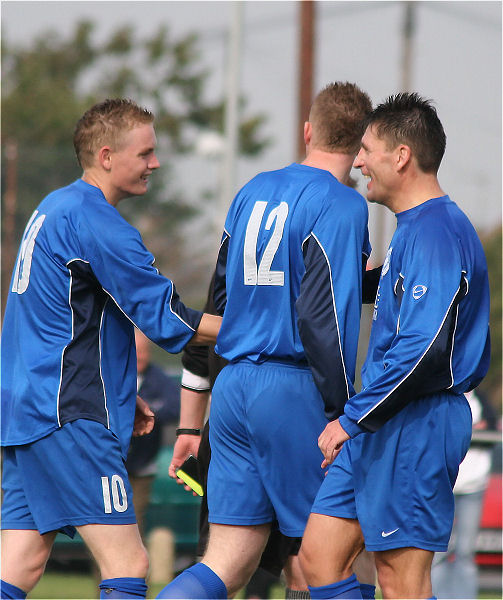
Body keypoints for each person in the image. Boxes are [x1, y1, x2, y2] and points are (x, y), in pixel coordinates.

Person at [156, 81, 375, 600]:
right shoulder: (344, 205)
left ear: (307, 132)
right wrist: (344, 411)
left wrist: (194, 415)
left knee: (229, 560)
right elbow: (324, 320)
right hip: (294, 388)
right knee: (326, 557)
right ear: (363, 144)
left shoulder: (252, 190)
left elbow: (218, 302)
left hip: (232, 389)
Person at [0, 98, 221, 600]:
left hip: (25, 412)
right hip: (69, 416)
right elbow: (168, 320)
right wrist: (264, 332)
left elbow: (49, 326)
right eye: (145, 153)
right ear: (105, 155)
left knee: (22, 561)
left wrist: (121, 391)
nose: (155, 164)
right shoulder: (96, 221)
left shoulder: (54, 207)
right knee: (129, 561)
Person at [299, 92, 491, 600]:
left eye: (366, 149)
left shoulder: (437, 231)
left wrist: (351, 417)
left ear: (401, 156)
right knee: (319, 557)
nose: (357, 161)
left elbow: (425, 349)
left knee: (399, 581)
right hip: (383, 418)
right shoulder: (414, 230)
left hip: (416, 420)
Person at [172, 274, 310, 599]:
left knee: (222, 564)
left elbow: (197, 349)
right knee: (310, 561)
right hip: (296, 403)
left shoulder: (237, 238)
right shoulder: (315, 230)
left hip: (229, 410)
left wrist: (189, 430)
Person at [431, 388, 498, 599]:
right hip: (445, 488)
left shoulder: (481, 401)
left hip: (474, 488)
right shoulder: (443, 398)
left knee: (465, 552)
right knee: (438, 552)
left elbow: (492, 428)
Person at [126, 329, 182, 539]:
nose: (140, 356)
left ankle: (131, 570)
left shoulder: (158, 378)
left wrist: (148, 413)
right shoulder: (113, 372)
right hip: (111, 462)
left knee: (135, 517)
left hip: (142, 465)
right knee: (105, 519)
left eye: (144, 351)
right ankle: (104, 572)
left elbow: (175, 407)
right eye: (136, 351)